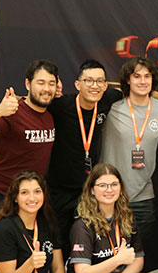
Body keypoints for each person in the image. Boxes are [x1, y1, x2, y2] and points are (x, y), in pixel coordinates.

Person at [0, 60, 57, 264]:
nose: (46, 89)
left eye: (51, 83)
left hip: (30, 199)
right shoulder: (13, 113)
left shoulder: (50, 115)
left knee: (25, 254)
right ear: (28, 84)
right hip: (0, 192)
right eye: (40, 83)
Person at [100, 56, 158, 272]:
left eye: (147, 76)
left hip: (144, 195)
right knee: (109, 254)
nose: (142, 81)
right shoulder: (112, 107)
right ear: (128, 80)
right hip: (110, 195)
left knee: (143, 254)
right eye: (137, 76)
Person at [45, 60, 123, 261]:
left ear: (106, 86)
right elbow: (32, 103)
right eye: (88, 81)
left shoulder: (108, 99)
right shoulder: (60, 106)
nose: (94, 86)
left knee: (85, 241)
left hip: (87, 191)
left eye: (99, 81)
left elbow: (137, 90)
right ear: (78, 84)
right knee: (57, 243)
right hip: (59, 189)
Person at [62, 163, 144, 273]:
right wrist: (118, 260)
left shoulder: (127, 218)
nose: (109, 190)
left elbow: (138, 260)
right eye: (102, 185)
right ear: (92, 190)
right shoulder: (82, 225)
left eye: (114, 184)